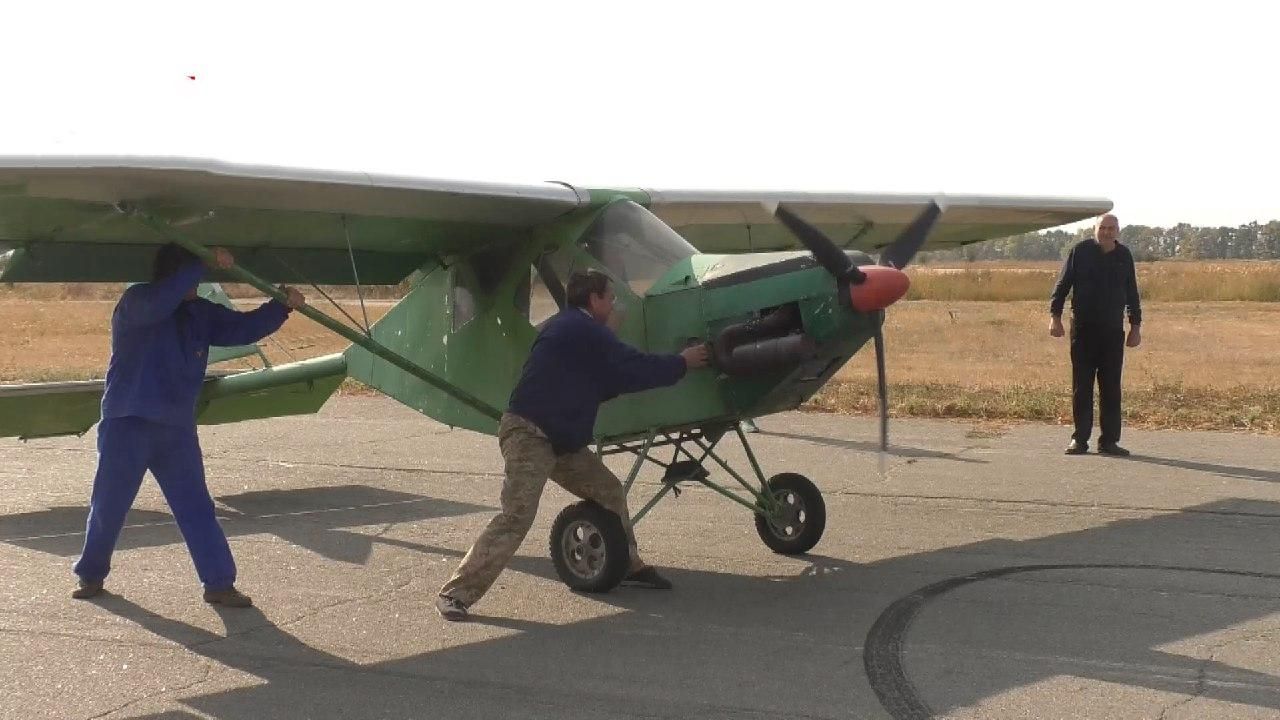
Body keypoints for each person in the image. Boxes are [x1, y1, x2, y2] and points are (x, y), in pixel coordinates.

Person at [436, 269, 710, 621]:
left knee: (609, 490)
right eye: (610, 298)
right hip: (530, 434)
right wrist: (682, 362)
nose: (614, 306)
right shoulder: (580, 328)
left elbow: (612, 380)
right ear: (593, 300)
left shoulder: (575, 331)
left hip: (558, 439)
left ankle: (627, 565)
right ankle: (454, 594)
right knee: (517, 516)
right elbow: (632, 367)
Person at [71, 243, 305, 607]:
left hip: (175, 429)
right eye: (193, 276)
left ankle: (219, 584)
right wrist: (201, 264)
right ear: (174, 274)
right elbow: (164, 301)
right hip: (127, 423)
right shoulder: (137, 302)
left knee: (196, 506)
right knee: (109, 505)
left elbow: (242, 328)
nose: (199, 284)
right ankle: (91, 574)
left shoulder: (200, 313)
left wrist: (281, 306)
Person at [1049, 213, 1142, 456]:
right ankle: (1079, 439)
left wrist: (1136, 326)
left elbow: (1132, 292)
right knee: (1082, 386)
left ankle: (1109, 441)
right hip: (1083, 330)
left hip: (1112, 331)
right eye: (1103, 228)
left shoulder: (1124, 256)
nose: (1107, 232)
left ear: (1118, 231)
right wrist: (1054, 317)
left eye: (1112, 228)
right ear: (1095, 229)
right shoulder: (1080, 252)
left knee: (1111, 387)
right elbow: (1062, 285)